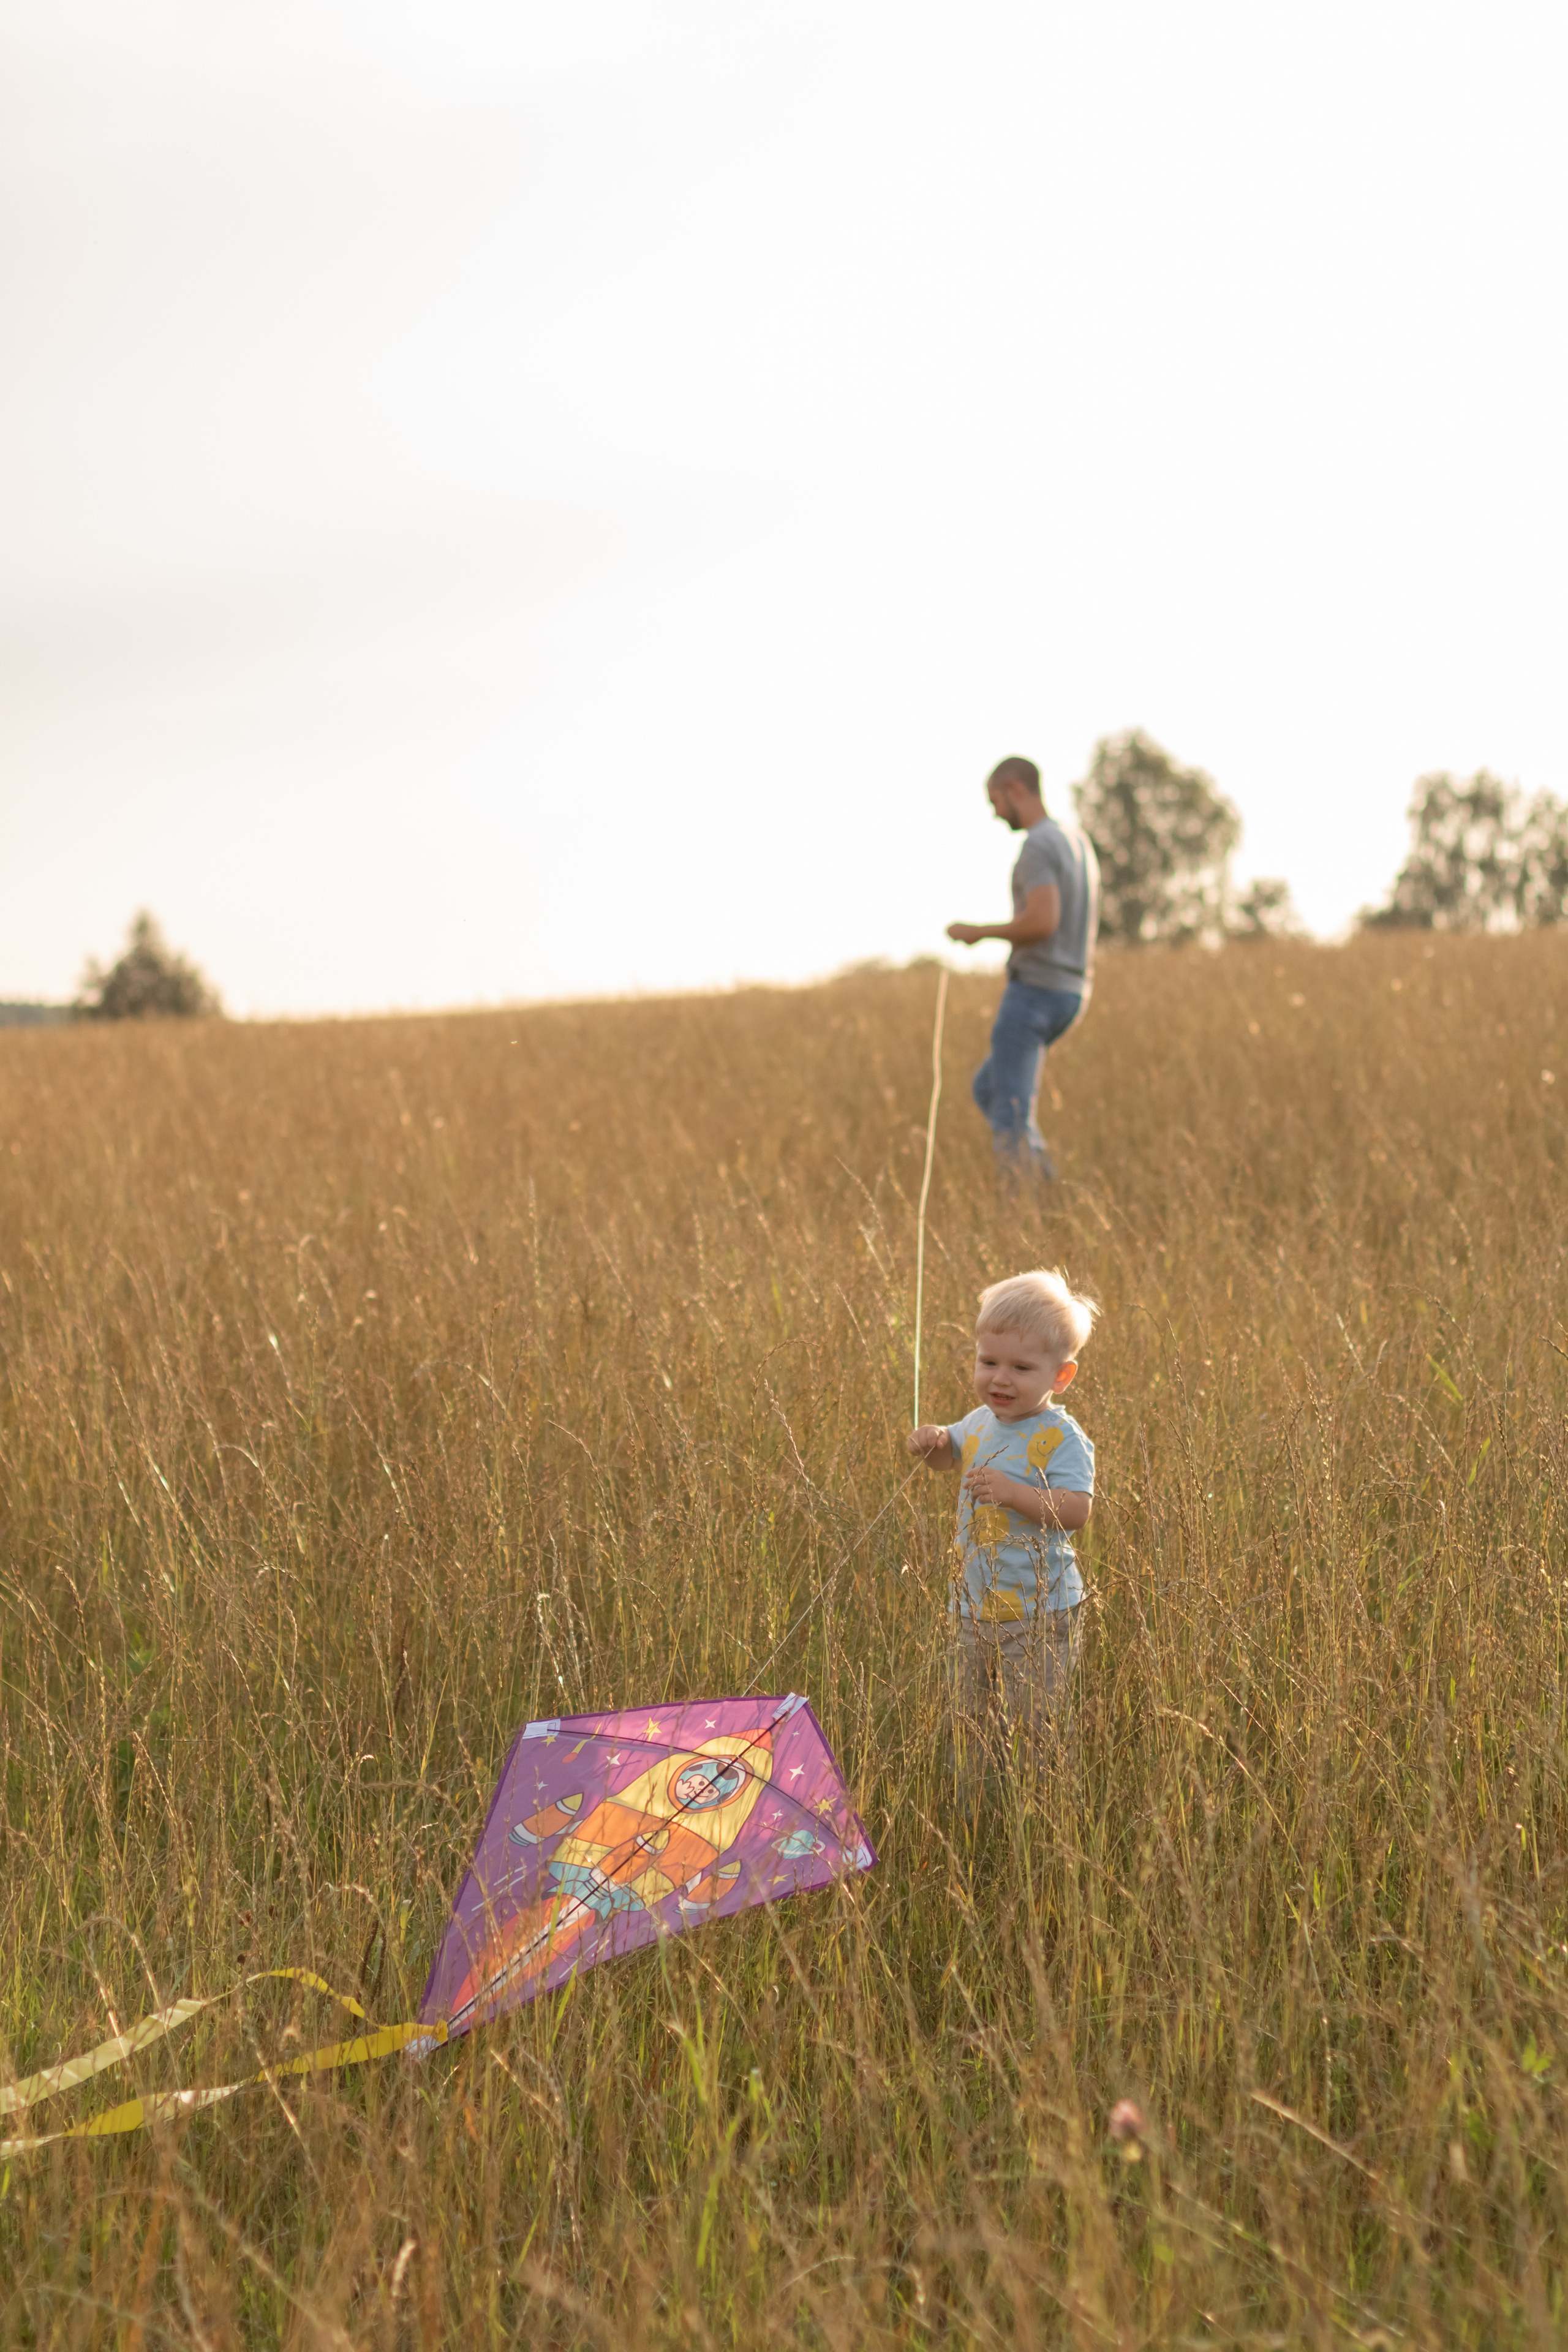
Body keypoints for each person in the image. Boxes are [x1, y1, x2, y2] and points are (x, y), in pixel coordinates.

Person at [906, 1267, 1097, 1769]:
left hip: (1041, 1611)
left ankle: (1032, 1800)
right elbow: (949, 1458)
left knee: (1033, 1720)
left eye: (1021, 1367)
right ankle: (970, 1797)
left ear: (1061, 1375)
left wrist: (1016, 1494)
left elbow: (1077, 1509)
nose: (1000, 1378)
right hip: (973, 1606)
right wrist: (934, 1445)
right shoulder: (978, 1422)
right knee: (967, 1715)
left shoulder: (1062, 1437)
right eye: (988, 1361)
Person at [946, 756, 1100, 1182]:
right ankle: (1048, 1191)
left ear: (1015, 789)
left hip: (1035, 992)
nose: (995, 812)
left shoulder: (1038, 845)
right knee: (989, 1090)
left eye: (995, 800)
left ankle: (1033, 1217)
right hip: (1071, 993)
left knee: (1011, 1119)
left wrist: (978, 933)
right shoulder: (1076, 841)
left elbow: (1042, 921)